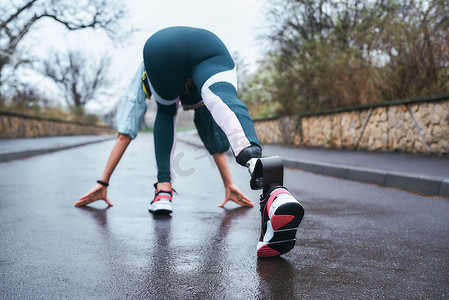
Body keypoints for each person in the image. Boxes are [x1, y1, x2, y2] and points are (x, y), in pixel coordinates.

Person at [75, 26, 304, 258]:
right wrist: (229, 183)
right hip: (210, 46)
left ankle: (163, 193)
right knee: (223, 100)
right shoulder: (199, 80)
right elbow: (210, 133)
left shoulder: (148, 68)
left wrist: (103, 183)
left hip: (160, 46)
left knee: (166, 112)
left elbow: (126, 127)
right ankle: (271, 185)